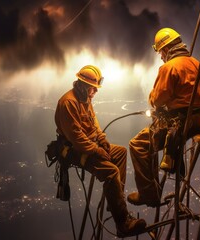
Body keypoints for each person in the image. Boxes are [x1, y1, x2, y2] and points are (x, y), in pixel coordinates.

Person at [54, 65, 146, 237]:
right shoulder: (69, 103)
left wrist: (102, 140)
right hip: (74, 150)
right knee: (111, 172)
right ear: (82, 85)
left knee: (120, 152)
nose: (95, 92)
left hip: (88, 144)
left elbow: (93, 123)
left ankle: (115, 202)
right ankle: (123, 224)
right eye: (93, 88)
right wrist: (96, 150)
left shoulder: (84, 98)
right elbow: (76, 137)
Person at [127, 28, 200, 206]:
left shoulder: (169, 67)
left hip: (181, 123)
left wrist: (152, 96)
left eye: (160, 52)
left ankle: (148, 194)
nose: (160, 57)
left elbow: (158, 100)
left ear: (165, 50)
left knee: (138, 144)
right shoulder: (195, 62)